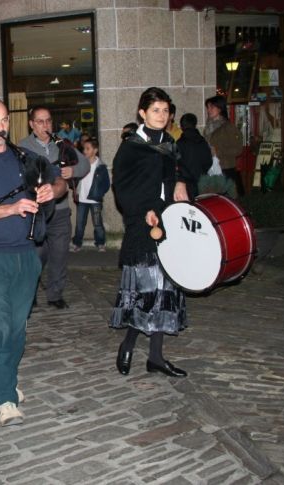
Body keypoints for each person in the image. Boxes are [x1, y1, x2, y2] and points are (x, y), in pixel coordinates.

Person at [0, 98, 66, 426]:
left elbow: (58, 180)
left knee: (18, 328)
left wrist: (52, 190)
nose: (0, 127)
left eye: (4, 120)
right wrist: (12, 208)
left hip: (28, 253)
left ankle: (8, 378)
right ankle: (3, 397)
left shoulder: (26, 158)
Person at [110, 87, 188, 379]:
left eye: (166, 111)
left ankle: (156, 357)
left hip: (167, 219)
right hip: (143, 222)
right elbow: (123, 189)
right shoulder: (131, 146)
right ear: (142, 113)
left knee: (166, 289)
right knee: (146, 290)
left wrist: (180, 181)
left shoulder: (169, 142)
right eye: (156, 110)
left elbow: (176, 172)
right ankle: (128, 344)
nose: (162, 116)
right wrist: (143, 212)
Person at [19, 106, 90, 309]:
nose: (45, 125)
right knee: (36, 256)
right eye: (40, 121)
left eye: (48, 121)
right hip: (36, 212)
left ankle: (55, 294)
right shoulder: (23, 146)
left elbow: (84, 164)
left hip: (60, 210)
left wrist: (72, 170)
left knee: (59, 255)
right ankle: (30, 293)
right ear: (32, 124)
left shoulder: (62, 143)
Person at [71, 138, 109, 252]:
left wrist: (99, 193)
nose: (85, 151)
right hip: (82, 199)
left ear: (95, 150)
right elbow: (75, 178)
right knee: (80, 224)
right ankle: (77, 243)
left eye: (88, 148)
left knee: (98, 224)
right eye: (84, 148)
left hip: (95, 200)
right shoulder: (82, 164)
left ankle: (101, 243)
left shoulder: (101, 166)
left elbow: (106, 184)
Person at [204, 95, 244, 196]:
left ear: (220, 108)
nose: (209, 110)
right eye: (208, 107)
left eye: (211, 107)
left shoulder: (228, 127)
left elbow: (238, 149)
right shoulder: (208, 126)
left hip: (225, 169)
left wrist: (218, 152)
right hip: (211, 169)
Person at [176, 113, 212, 201]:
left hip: (187, 184)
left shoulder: (180, 143)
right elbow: (208, 161)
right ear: (195, 125)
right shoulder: (202, 141)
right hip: (202, 181)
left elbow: (177, 164)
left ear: (182, 126)